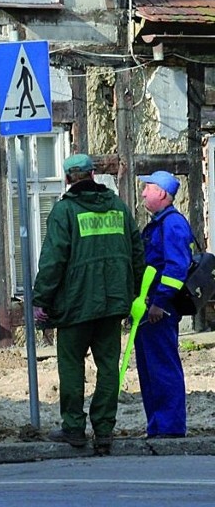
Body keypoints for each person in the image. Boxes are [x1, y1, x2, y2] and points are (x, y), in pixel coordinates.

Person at [32, 154, 144, 452]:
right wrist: (131, 293)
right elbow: (137, 253)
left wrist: (41, 299)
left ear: (68, 178)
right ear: (93, 174)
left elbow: (53, 261)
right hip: (112, 304)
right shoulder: (118, 207)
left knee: (71, 367)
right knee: (108, 367)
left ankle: (74, 429)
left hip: (75, 306)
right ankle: (104, 430)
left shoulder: (64, 211)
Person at [135, 170, 192, 439]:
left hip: (160, 310)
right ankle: (157, 426)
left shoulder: (172, 223)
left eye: (148, 187)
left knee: (163, 368)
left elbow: (175, 268)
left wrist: (159, 302)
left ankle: (169, 428)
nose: (143, 192)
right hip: (149, 308)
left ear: (161, 192)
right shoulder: (160, 223)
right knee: (150, 370)